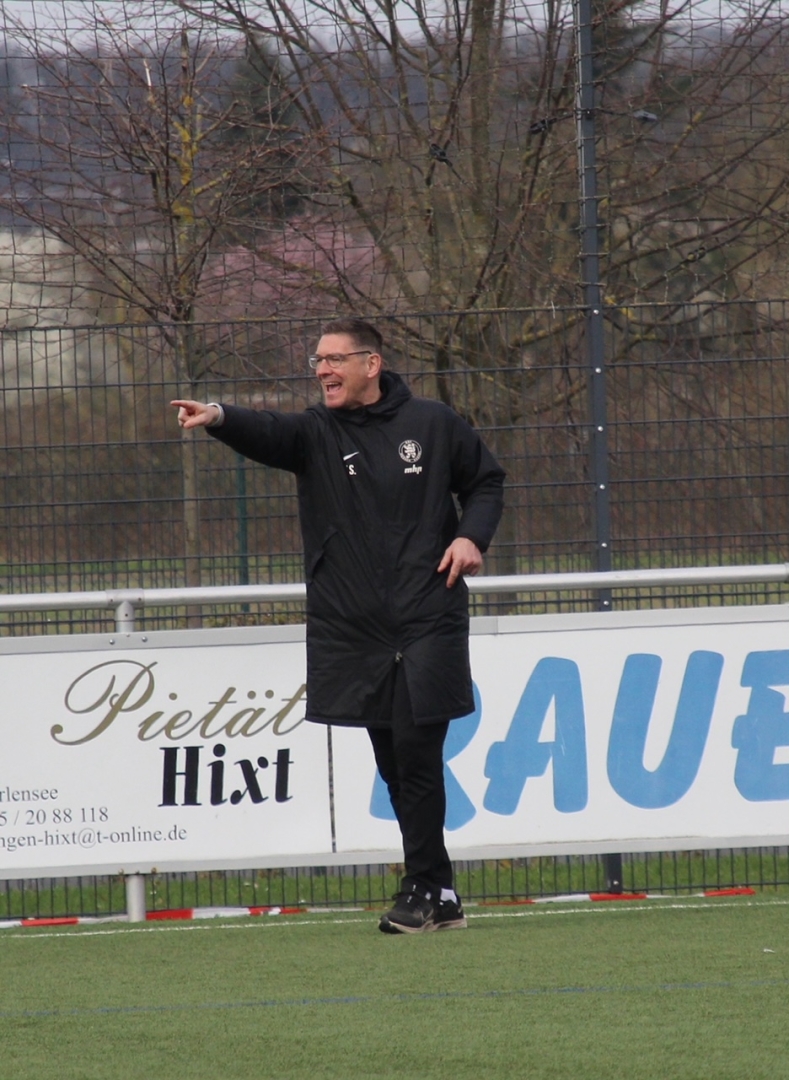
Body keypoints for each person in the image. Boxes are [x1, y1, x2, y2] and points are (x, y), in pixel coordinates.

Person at [171, 318, 505, 934]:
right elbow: (269, 430)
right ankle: (441, 892)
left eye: (334, 359)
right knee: (393, 761)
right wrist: (218, 416)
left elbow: (486, 481)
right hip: (354, 627)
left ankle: (420, 887)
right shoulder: (316, 432)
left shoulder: (433, 424)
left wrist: (470, 537)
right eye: (317, 361)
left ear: (371, 364)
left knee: (416, 752)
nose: (322, 370)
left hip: (427, 614)